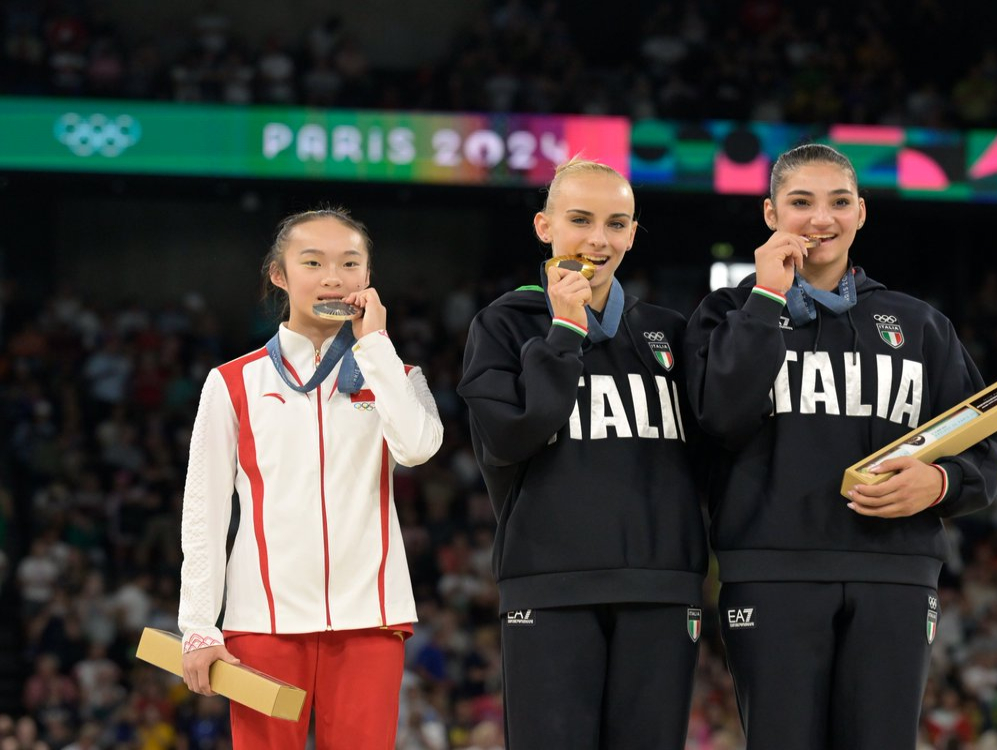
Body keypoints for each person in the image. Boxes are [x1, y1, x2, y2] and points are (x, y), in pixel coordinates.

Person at [683, 143, 997, 749]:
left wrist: (939, 483)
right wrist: (766, 302)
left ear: (862, 213)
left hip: (895, 573)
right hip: (771, 571)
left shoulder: (921, 326)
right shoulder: (724, 315)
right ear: (771, 214)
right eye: (800, 202)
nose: (820, 219)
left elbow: (983, 447)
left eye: (838, 202)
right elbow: (719, 419)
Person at [457, 158, 707, 749]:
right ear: (545, 226)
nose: (599, 239)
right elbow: (511, 437)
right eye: (581, 219)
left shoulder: (668, 330)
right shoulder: (504, 326)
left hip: (662, 586)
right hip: (550, 584)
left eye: (617, 223)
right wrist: (565, 333)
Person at [178, 207, 443, 749]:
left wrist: (375, 346)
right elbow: (204, 510)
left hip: (371, 620)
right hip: (262, 624)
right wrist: (199, 625)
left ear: (367, 277)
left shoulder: (398, 375)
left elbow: (417, 448)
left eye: (350, 263)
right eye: (313, 262)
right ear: (279, 274)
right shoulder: (231, 383)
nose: (332, 277)